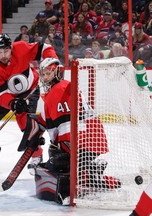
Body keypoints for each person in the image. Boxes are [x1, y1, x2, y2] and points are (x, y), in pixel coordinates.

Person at [27, 58, 121, 203]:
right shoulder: (67, 87)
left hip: (81, 143)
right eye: (43, 74)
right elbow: (56, 117)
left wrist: (50, 142)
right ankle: (93, 170)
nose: (45, 78)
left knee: (55, 157)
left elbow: (57, 129)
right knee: (62, 155)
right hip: (95, 140)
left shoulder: (55, 93)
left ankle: (82, 177)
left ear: (58, 72)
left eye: (48, 74)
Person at [0, 33, 58, 175]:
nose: (3, 55)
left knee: (27, 125)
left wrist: (53, 61)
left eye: (6, 51)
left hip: (29, 91)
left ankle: (37, 156)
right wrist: (12, 103)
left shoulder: (21, 48)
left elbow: (45, 47)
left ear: (11, 48)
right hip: (8, 96)